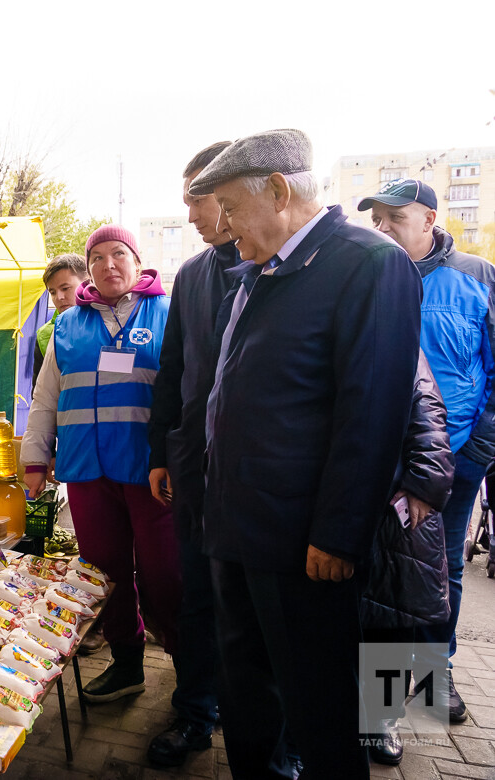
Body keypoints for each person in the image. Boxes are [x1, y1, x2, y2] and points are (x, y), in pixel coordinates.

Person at [190, 128, 421, 778]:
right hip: (237, 529)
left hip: (304, 546)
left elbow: (371, 414)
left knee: (320, 711)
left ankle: (409, 716)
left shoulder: (367, 265)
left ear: (280, 191)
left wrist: (340, 535)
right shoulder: (261, 272)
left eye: (231, 207)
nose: (225, 226)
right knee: (246, 699)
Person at [21, 225, 181, 703]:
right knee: (102, 575)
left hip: (150, 471)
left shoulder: (170, 313)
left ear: (137, 261)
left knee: (166, 575)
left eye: (119, 254)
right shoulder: (68, 325)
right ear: (88, 268)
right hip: (87, 470)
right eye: (98, 258)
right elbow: (46, 396)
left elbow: (188, 393)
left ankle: (191, 670)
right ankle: (127, 662)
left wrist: (178, 457)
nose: (109, 265)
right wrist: (34, 456)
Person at [360, 178, 495, 724]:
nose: (384, 227)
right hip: (382, 458)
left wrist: (478, 448)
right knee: (389, 577)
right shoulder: (367, 275)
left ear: (430, 220)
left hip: (456, 458)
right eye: (378, 219)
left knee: (443, 573)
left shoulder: (476, 276)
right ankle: (384, 713)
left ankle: (436, 679)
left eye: (396, 217)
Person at [144, 140, 235, 767]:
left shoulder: (365, 264)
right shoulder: (199, 275)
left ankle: (386, 725)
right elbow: (176, 373)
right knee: (201, 597)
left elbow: (399, 387)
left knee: (417, 601)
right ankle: (201, 711)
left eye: (399, 216)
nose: (192, 215)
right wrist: (166, 450)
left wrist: (434, 470)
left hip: (421, 476)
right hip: (206, 472)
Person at [359, 351, 453, 767]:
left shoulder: (401, 341)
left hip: (391, 504)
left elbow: (429, 413)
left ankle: (380, 720)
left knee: (390, 619)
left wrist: (424, 486)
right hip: (333, 500)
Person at [32, 254, 89, 394]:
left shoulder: (109, 321)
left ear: (88, 282)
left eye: (65, 288)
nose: (59, 297)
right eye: (52, 292)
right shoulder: (44, 334)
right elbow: (39, 393)